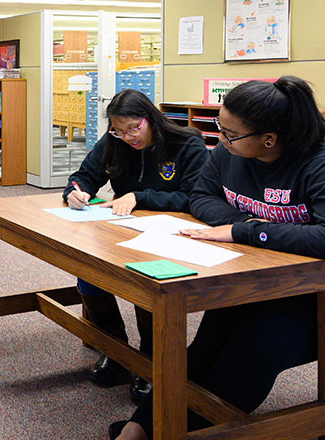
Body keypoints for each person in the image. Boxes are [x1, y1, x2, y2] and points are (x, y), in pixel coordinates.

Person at [109, 76, 325, 439]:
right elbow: (202, 198)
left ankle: (175, 432)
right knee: (209, 336)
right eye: (220, 126)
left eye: (230, 133)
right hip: (276, 276)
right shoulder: (228, 154)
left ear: (269, 139)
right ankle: (140, 429)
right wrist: (247, 224)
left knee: (258, 343)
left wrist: (245, 231)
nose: (222, 139)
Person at [62, 88, 209, 404]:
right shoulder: (114, 142)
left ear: (150, 118)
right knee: (88, 273)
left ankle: (150, 359)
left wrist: (141, 197)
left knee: (147, 285)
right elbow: (83, 176)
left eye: (134, 128)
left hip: (174, 234)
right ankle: (115, 350)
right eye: (119, 130)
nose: (128, 137)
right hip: (124, 230)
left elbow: (197, 198)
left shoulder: (187, 143)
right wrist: (76, 192)